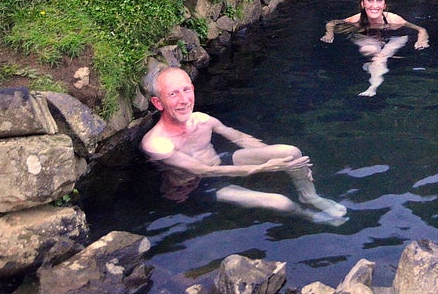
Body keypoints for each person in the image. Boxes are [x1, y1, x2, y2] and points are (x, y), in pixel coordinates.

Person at [140, 66, 348, 224]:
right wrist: (262, 168)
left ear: (193, 89)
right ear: (158, 103)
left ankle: (310, 195)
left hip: (219, 164)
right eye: (173, 94)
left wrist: (281, 160)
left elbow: (240, 138)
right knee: (280, 202)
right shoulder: (156, 143)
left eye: (186, 90)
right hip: (196, 186)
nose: (184, 100)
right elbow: (201, 170)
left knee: (291, 152)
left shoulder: (202, 119)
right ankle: (308, 216)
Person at [320, 0, 429, 97]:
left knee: (380, 57)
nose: (374, 5)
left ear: (384, 5)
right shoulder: (356, 19)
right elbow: (332, 23)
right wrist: (329, 34)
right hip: (369, 37)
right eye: (370, 0)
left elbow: (421, 29)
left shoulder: (394, 19)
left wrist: (422, 40)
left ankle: (373, 86)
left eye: (379, 0)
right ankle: (373, 74)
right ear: (363, 3)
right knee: (370, 49)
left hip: (395, 38)